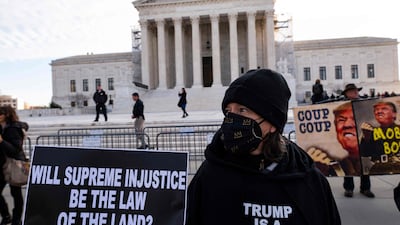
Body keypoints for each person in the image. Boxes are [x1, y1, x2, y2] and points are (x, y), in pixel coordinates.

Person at [186, 69, 341, 225]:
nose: (232, 119)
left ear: (272, 123)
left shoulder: (309, 183)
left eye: (242, 110)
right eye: (228, 111)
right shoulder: (210, 175)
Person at [341, 83, 374, 198]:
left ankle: (365, 188)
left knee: (364, 164)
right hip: (349, 139)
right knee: (348, 164)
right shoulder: (341, 105)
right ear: (347, 93)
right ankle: (349, 188)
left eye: (356, 90)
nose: (356, 92)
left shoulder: (363, 103)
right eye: (352, 91)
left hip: (362, 137)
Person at [0, 106, 28, 225]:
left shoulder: (13, 129)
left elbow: (15, 149)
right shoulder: (3, 127)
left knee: (16, 193)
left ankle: (16, 219)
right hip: (3, 164)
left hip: (14, 164)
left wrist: (2, 141)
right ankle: (6, 216)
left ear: (6, 115)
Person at [360, 101, 400, 165]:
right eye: (376, 110)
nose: (379, 112)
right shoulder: (370, 131)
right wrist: (366, 137)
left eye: (384, 109)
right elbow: (365, 154)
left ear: (394, 114)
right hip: (379, 169)